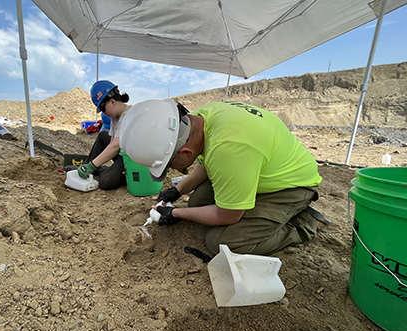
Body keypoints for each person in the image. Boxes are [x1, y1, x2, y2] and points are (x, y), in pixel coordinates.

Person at [119, 99, 327, 256]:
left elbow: (228, 216)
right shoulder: (199, 119)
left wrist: (177, 213)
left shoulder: (229, 149)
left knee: (220, 241)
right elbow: (206, 161)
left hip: (291, 185)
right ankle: (255, 207)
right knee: (198, 202)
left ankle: (301, 225)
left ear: (184, 153)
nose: (171, 169)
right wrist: (178, 190)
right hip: (256, 166)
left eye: (169, 165)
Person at [78, 80, 130, 190]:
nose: (103, 113)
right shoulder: (115, 118)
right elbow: (111, 143)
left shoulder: (128, 115)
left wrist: (94, 165)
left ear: (112, 102)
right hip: (123, 153)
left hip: (131, 159)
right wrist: (92, 164)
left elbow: (115, 146)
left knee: (105, 181)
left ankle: (98, 169)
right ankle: (86, 167)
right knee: (103, 135)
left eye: (102, 108)